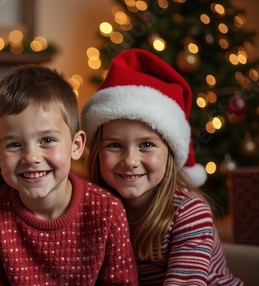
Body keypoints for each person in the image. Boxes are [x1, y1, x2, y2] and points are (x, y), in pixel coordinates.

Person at [81, 48, 243, 285]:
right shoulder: (97, 208)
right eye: (115, 145)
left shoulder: (189, 213)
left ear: (170, 153)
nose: (130, 160)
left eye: (146, 144)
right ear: (97, 152)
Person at [0, 65, 139, 285]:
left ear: (76, 146)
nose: (31, 157)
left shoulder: (107, 212)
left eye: (47, 140)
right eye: (14, 144)